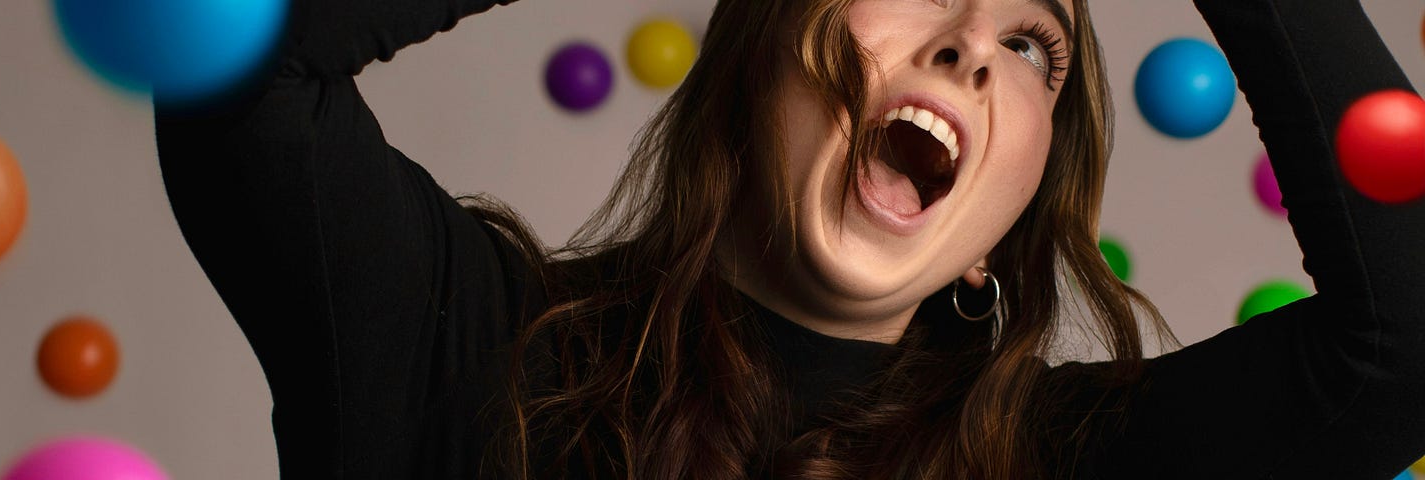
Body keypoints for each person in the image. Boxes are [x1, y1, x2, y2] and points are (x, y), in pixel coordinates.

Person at [153, 0, 1425, 477]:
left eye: (1030, 44)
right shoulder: (465, 348)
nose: (968, 41)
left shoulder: (1061, 463)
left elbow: (1403, 349)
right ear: (757, 48)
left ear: (1005, 227)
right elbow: (229, 58)